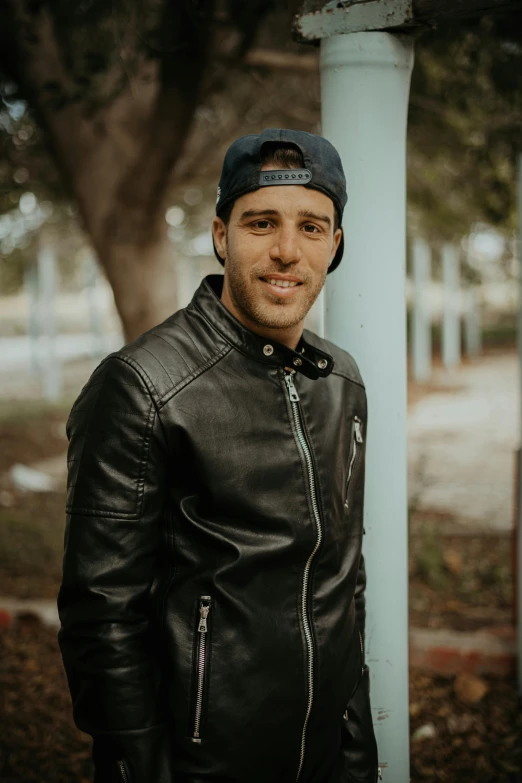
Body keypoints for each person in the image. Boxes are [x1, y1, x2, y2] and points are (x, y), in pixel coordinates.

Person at [57, 127, 380, 783]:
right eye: (262, 222)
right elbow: (101, 614)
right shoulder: (145, 386)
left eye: (312, 228)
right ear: (221, 234)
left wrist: (355, 752)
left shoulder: (339, 380)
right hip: (202, 762)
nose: (288, 250)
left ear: (335, 245)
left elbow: (343, 586)